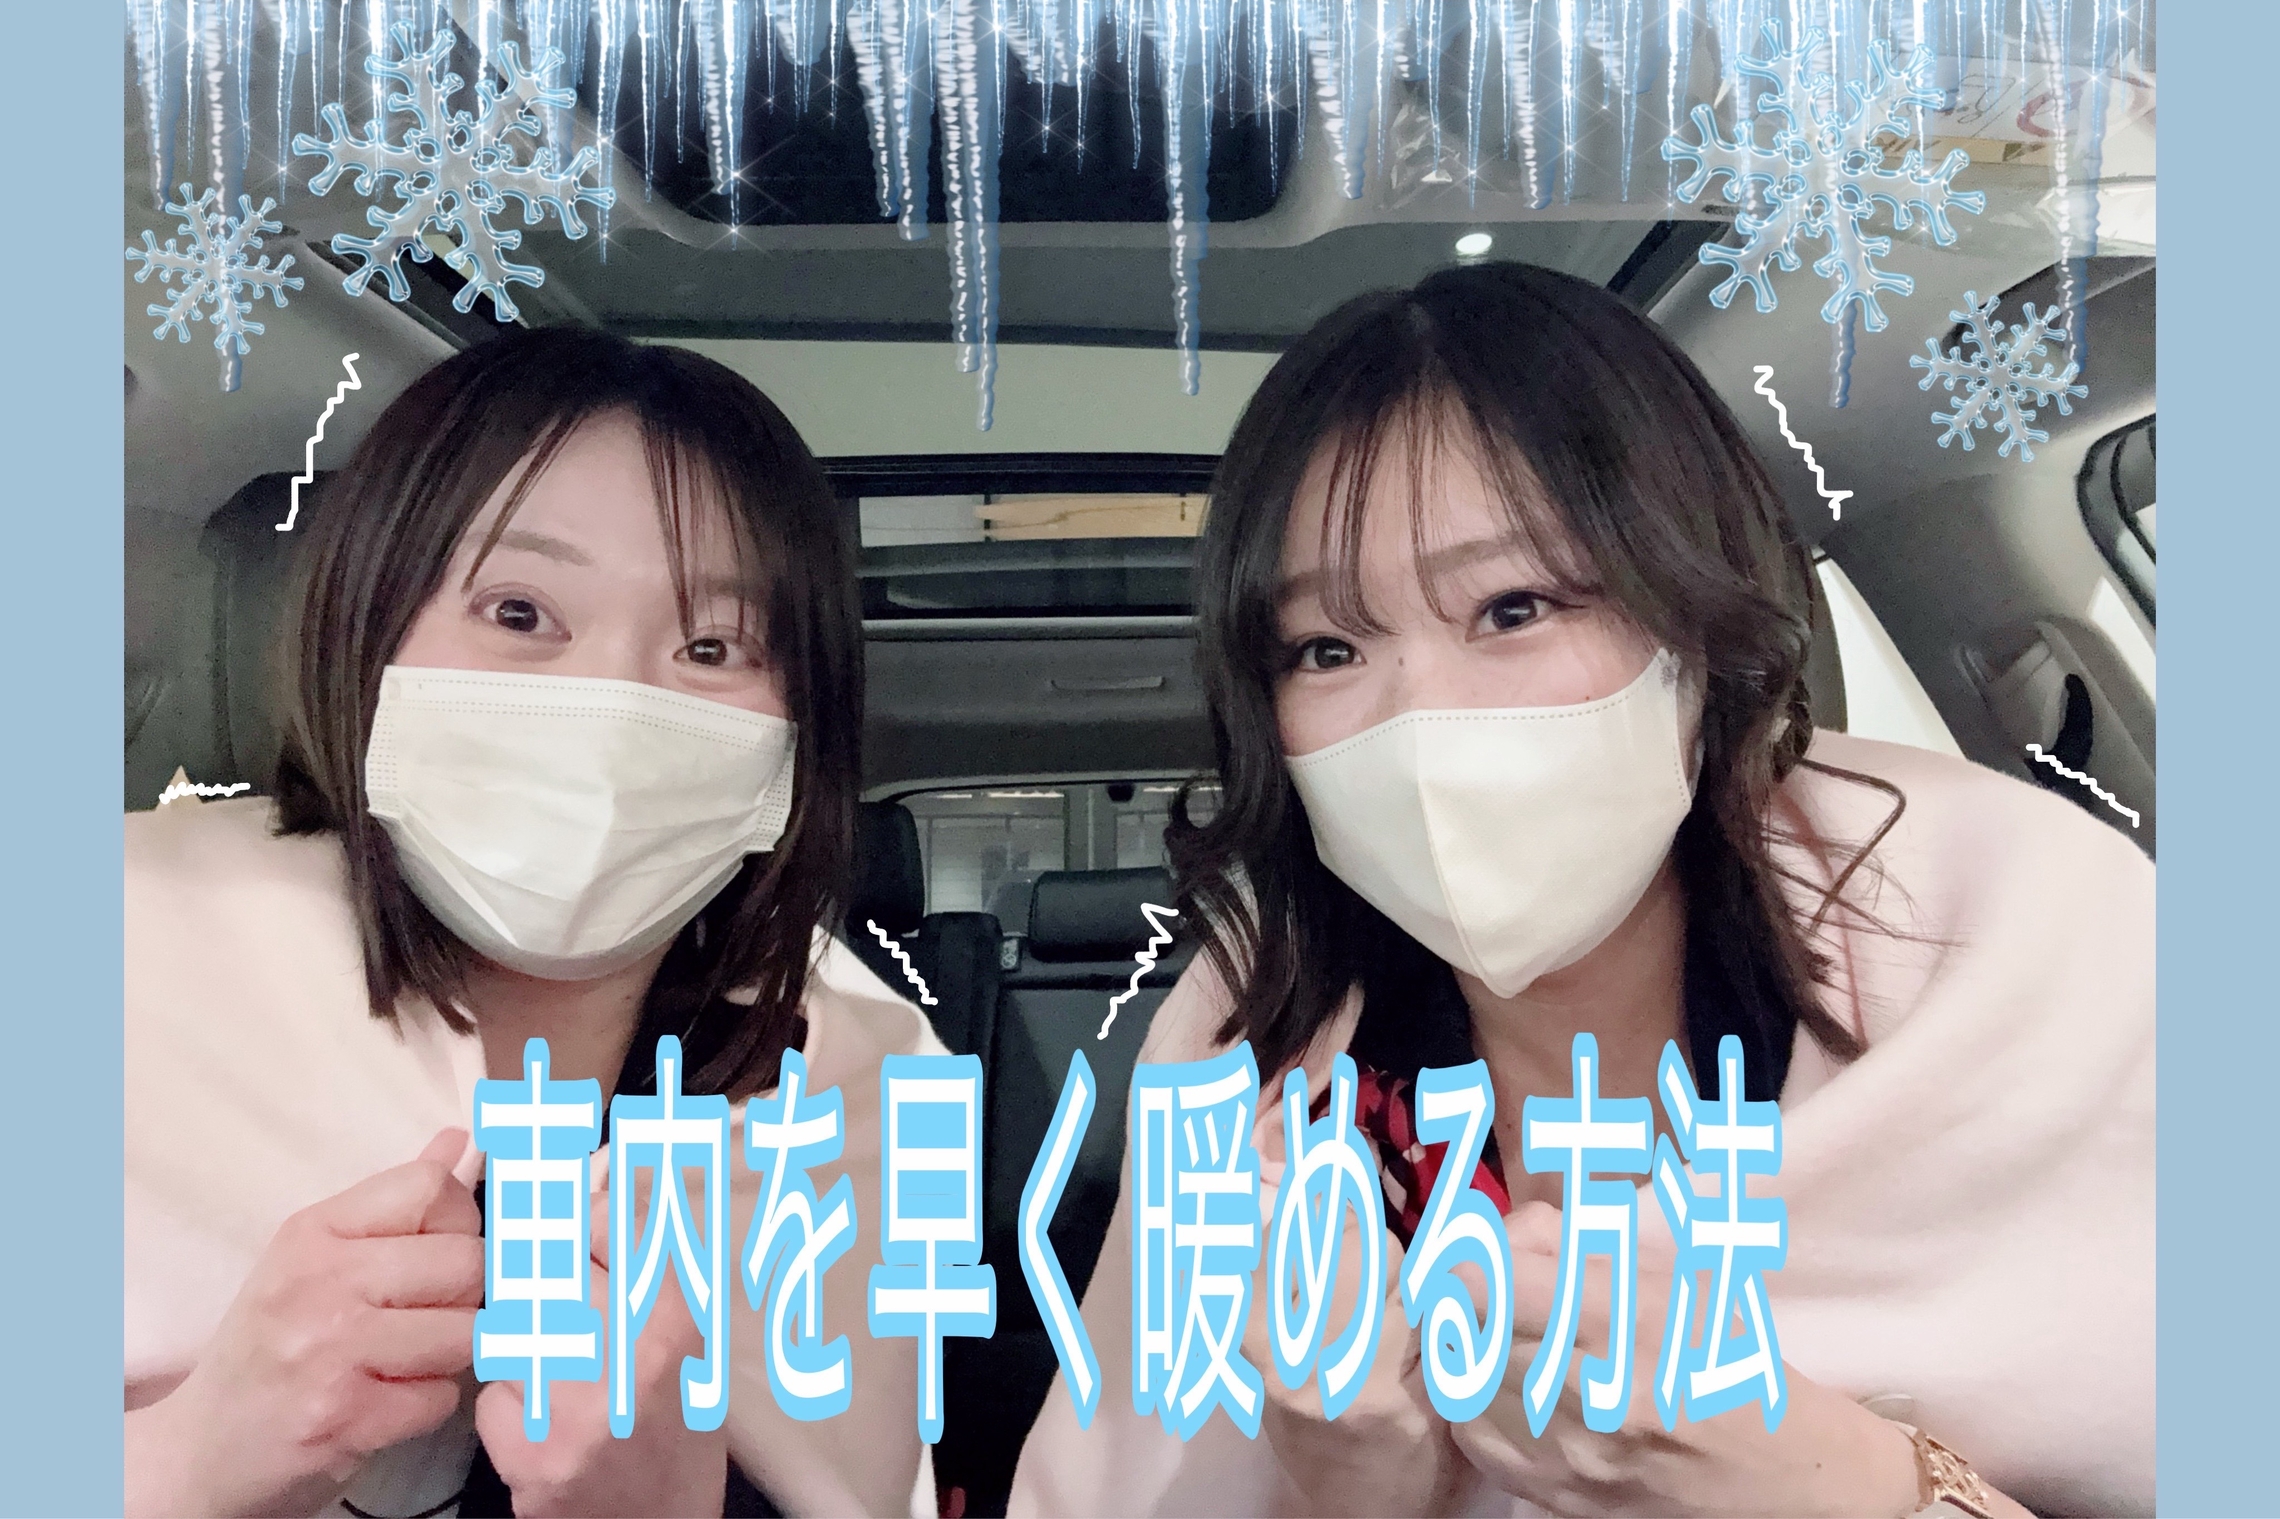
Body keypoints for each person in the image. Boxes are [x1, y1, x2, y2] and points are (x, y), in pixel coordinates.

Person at [1008, 263, 2153, 1517]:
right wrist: (1355, 1493)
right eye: (1327, 648)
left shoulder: (2025, 960)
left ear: (1695, 623)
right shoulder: (1248, 1054)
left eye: (1513, 608)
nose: (1421, 721)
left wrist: (1854, 1486)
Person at [124, 329, 938, 1518]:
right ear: (367, 630)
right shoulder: (115, 950)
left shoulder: (853, 1075)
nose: (613, 701)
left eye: (711, 646)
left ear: (794, 736)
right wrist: (183, 1460)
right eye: (519, 612)